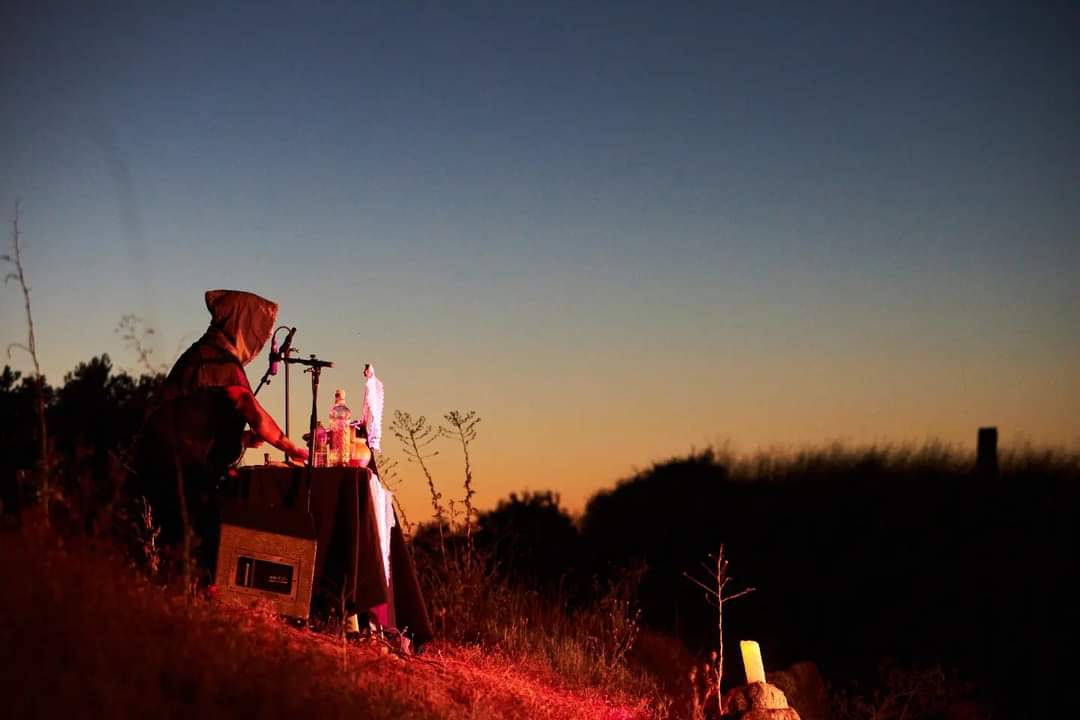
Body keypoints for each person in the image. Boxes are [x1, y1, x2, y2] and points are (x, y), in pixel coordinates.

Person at [132, 289, 307, 571]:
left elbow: (196, 416)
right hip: (174, 470)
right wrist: (291, 447)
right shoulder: (215, 358)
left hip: (176, 465)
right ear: (243, 324)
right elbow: (247, 405)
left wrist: (240, 439)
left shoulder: (210, 353)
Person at [360, 363, 384, 452]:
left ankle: (372, 443)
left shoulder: (373, 385)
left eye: (366, 371)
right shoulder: (369, 384)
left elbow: (373, 407)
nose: (364, 373)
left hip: (372, 419)